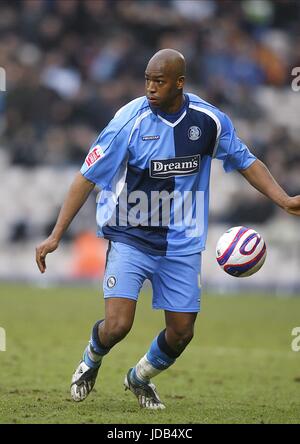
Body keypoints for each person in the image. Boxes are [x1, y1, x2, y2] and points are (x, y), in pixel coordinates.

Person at [35, 49, 300, 410]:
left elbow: (245, 160)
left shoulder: (209, 121)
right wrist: (55, 235)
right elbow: (85, 177)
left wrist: (283, 200)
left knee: (181, 333)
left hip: (182, 243)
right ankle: (90, 361)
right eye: (147, 80)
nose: (150, 88)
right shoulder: (128, 121)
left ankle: (139, 378)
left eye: (158, 81)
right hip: (131, 235)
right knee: (117, 326)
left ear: (179, 83)